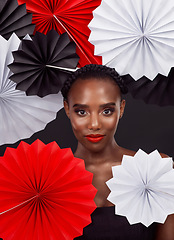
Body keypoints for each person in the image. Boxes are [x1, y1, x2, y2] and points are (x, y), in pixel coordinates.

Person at [61, 64, 174, 240]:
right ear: (67, 109)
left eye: (106, 111)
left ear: (121, 109)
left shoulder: (156, 169)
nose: (94, 124)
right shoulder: (46, 178)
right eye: (81, 112)